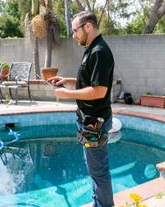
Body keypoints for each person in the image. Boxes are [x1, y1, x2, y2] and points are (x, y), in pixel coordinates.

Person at [48, 11, 115, 207]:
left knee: (98, 170)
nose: (73, 35)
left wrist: (67, 95)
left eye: (75, 30)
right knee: (93, 167)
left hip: (95, 121)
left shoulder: (99, 52)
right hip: (89, 120)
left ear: (88, 27)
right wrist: (66, 81)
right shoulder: (92, 49)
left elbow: (99, 91)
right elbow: (89, 82)